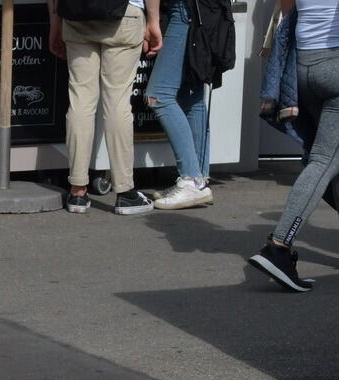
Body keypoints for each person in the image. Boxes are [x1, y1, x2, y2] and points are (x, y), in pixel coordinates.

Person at [248, 0, 339, 292]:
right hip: (335, 67)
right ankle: (279, 246)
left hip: (304, 67)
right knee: (324, 162)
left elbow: (288, 11)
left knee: (329, 163)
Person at [47, 0, 163, 215]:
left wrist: (55, 21)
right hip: (125, 15)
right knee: (117, 102)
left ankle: (77, 190)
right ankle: (125, 192)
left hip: (75, 16)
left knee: (80, 99)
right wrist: (153, 20)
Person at [147, 0, 234, 210]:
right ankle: (199, 180)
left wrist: (152, 21)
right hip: (202, 12)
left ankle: (191, 180)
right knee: (191, 95)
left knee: (158, 95)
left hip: (184, 12)